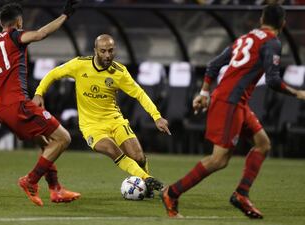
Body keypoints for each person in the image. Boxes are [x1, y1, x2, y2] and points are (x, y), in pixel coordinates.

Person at [160, 3, 305, 219]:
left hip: (235, 101)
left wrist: (204, 92)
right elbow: (273, 80)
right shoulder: (272, 42)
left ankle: (241, 194)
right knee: (219, 159)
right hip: (230, 102)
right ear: (283, 24)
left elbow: (213, 65)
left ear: (261, 19)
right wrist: (297, 93)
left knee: (263, 144)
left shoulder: (245, 38)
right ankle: (172, 192)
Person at [0, 1, 81, 206]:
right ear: (18, 21)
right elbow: (40, 34)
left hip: (0, 110)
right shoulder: (14, 35)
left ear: (1, 22)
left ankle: (56, 190)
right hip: (18, 104)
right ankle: (30, 181)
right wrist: (65, 16)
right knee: (63, 139)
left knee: (45, 143)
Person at [33, 34, 170, 196]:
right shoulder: (79, 65)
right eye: (103, 51)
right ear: (95, 51)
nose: (107, 55)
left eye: (111, 51)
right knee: (113, 150)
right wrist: (39, 93)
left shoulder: (119, 72)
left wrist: (157, 116)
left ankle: (145, 186)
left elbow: (139, 94)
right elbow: (53, 74)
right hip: (91, 127)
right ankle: (148, 179)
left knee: (138, 157)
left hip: (115, 121)